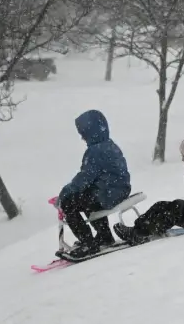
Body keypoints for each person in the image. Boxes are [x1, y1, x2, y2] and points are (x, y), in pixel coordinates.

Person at [114, 121, 184, 246]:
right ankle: (139, 229)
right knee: (162, 206)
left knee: (169, 212)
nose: (183, 160)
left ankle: (140, 233)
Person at [57, 109, 131, 259]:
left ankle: (88, 243)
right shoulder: (108, 144)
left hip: (109, 192)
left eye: (83, 133)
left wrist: (65, 193)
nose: (82, 137)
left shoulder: (95, 151)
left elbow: (85, 177)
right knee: (87, 199)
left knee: (69, 203)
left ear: (91, 132)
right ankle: (104, 236)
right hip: (118, 189)